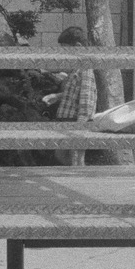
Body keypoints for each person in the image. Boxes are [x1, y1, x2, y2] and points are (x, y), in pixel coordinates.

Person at [42, 25, 97, 165]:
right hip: (68, 121)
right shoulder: (77, 68)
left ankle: (80, 178)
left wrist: (80, 127)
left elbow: (86, 100)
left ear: (78, 47)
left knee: (75, 159)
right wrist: (57, 97)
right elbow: (75, 92)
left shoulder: (85, 69)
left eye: (65, 49)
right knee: (63, 156)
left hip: (75, 121)